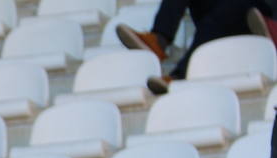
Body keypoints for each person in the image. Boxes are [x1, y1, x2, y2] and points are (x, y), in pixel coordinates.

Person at [115, 0, 275, 94]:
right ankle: (158, 40)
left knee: (219, 15)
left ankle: (180, 75)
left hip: (258, 9)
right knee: (219, 14)